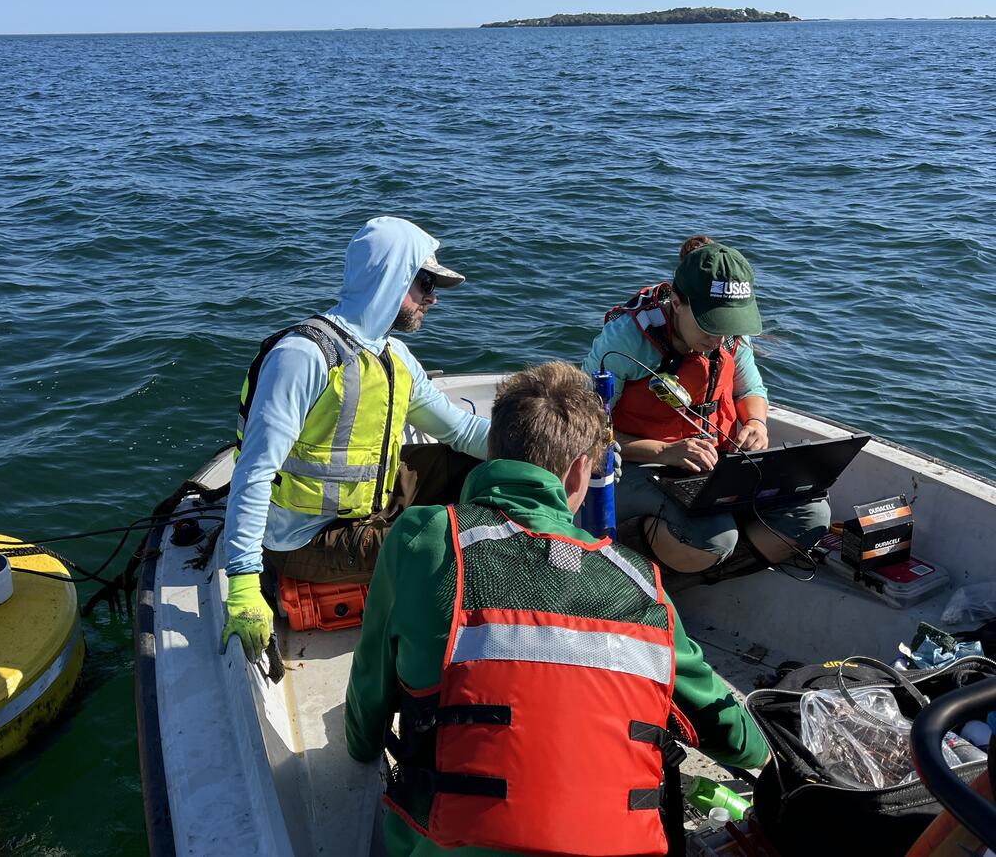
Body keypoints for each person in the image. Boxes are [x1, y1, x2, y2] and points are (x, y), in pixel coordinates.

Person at [345, 362, 769, 857]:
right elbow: (734, 737)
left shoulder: (426, 537)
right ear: (579, 470)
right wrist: (766, 745)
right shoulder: (640, 583)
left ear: (493, 449)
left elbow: (369, 699)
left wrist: (360, 745)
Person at [222, 216, 491, 662]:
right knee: (452, 549)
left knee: (481, 467)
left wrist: (548, 455)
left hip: (369, 503)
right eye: (425, 283)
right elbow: (253, 473)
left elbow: (463, 431)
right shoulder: (303, 357)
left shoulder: (394, 356)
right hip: (306, 539)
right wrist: (244, 584)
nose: (433, 297)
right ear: (393, 276)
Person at [583, 237, 831, 573]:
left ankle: (699, 569)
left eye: (730, 325)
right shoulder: (625, 340)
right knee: (714, 538)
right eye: (710, 325)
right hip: (638, 465)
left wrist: (756, 424)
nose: (719, 339)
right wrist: (662, 452)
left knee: (810, 517)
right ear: (677, 301)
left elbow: (751, 390)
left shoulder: (729, 337)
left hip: (708, 464)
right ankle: (629, 567)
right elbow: (585, 431)